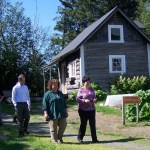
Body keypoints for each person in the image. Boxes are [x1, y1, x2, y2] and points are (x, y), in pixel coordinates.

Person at [42, 79, 68, 144]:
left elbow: (64, 103)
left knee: (63, 125)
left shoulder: (60, 93)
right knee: (53, 128)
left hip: (61, 113)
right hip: (52, 113)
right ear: (50, 85)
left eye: (57, 85)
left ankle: (59, 138)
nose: (55, 86)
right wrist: (45, 113)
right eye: (54, 85)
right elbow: (44, 105)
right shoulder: (47, 94)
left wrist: (66, 111)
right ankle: (54, 141)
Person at [76, 76, 98, 143]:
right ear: (83, 83)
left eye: (89, 81)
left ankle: (94, 139)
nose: (88, 83)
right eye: (86, 82)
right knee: (83, 124)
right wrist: (84, 101)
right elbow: (77, 99)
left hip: (91, 109)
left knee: (92, 124)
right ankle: (80, 137)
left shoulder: (92, 90)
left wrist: (95, 100)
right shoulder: (81, 90)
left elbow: (94, 98)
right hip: (83, 110)